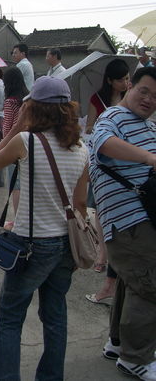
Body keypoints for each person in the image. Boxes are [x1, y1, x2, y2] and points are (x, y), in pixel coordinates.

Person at [0, 75, 89, 381]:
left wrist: (18, 125)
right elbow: (80, 205)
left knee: (10, 318)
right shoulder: (82, 149)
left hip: (31, 245)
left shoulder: (26, 141)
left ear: (33, 107)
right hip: (64, 246)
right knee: (55, 315)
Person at [88, 67, 156, 379]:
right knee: (151, 286)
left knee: (134, 283)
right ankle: (135, 357)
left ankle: (117, 343)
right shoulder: (112, 116)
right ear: (129, 85)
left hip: (139, 220)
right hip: (130, 220)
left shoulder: (146, 124)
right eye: (144, 91)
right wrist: (149, 158)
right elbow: (102, 145)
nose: (149, 99)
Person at [84, 58, 129, 303]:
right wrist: (103, 126)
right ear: (110, 80)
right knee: (100, 210)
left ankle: (110, 262)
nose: (126, 83)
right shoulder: (97, 100)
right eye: (121, 79)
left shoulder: (132, 100)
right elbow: (89, 127)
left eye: (127, 78)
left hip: (125, 165)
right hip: (103, 163)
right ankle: (102, 254)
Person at [1, 67, 29, 223]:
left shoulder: (10, 102)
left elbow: (8, 126)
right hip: (28, 141)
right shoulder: (27, 99)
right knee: (26, 183)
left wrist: (4, 144)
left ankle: (18, 220)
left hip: (14, 143)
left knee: (16, 185)